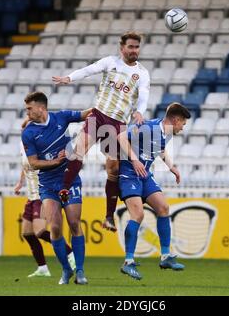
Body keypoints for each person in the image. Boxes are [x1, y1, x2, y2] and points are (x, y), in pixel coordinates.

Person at [52, 31, 150, 232]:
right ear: (122, 48)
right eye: (130, 47)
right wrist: (69, 78)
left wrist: (140, 112)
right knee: (80, 149)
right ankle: (64, 189)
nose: (134, 50)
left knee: (113, 168)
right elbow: (89, 70)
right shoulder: (110, 62)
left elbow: (144, 95)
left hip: (118, 123)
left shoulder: (142, 73)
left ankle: (108, 216)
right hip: (99, 114)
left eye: (136, 47)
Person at [21, 91, 92, 285]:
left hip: (69, 180)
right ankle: (65, 269)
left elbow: (88, 113)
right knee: (54, 228)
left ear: (40, 107)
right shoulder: (28, 133)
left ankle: (80, 271)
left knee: (75, 224)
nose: (27, 112)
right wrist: (56, 161)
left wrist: (106, 112)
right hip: (47, 184)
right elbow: (34, 163)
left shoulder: (62, 117)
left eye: (29, 108)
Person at [117, 102, 191, 280]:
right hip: (129, 175)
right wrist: (134, 160)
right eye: (183, 123)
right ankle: (128, 262)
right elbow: (120, 137)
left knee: (163, 208)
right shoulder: (148, 127)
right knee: (138, 215)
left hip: (145, 176)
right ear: (175, 119)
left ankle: (165, 257)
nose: (183, 127)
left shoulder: (166, 133)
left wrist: (171, 167)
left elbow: (160, 148)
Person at [14, 118, 75, 278]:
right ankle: (43, 268)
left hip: (41, 193)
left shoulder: (39, 144)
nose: (25, 131)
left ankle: (70, 253)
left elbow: (39, 163)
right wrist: (20, 181)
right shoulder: (24, 145)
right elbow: (25, 165)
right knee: (27, 233)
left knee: (40, 231)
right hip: (30, 195)